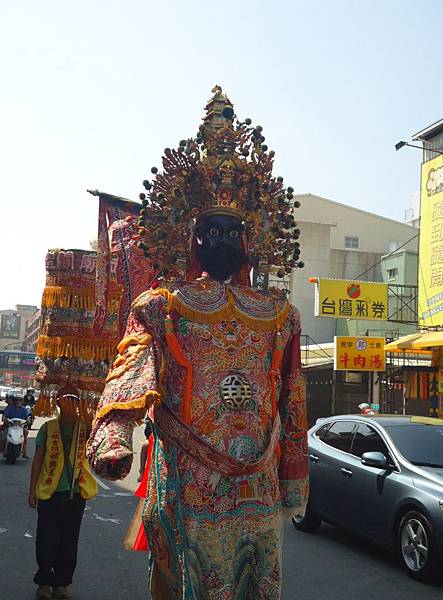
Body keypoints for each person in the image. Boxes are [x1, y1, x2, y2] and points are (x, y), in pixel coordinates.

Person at [88, 86, 308, 599]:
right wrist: (114, 431)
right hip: (190, 478)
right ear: (192, 238)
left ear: (250, 240)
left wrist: (293, 473)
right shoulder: (162, 308)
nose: (223, 242)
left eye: (233, 232)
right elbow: (132, 368)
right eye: (212, 231)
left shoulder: (280, 316)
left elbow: (293, 397)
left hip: (258, 483)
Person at [28, 394, 97, 600]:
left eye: (73, 401)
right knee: (46, 538)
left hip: (75, 494)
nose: (69, 404)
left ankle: (62, 582)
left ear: (78, 404)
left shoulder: (86, 427)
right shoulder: (47, 428)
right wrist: (32, 490)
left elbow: (100, 444)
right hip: (49, 493)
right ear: (57, 403)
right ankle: (44, 582)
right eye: (65, 400)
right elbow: (38, 459)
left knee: (69, 539)